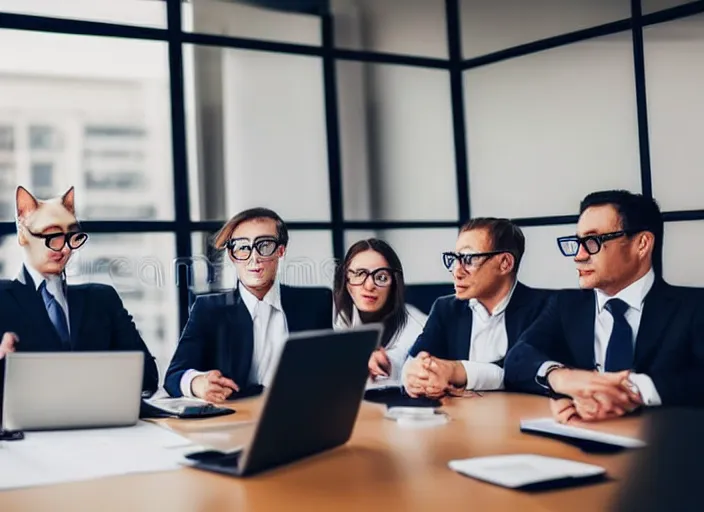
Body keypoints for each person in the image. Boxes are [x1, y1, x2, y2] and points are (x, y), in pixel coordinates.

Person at [504, 190, 704, 423]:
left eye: (592, 241)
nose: (578, 256)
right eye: (578, 242)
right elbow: (518, 359)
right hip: (580, 437)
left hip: (668, 446)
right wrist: (563, 380)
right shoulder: (565, 305)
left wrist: (631, 390)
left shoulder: (694, 307)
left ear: (641, 244)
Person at [0, 186, 159, 395]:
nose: (66, 248)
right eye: (53, 236)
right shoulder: (4, 299)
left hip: (99, 419)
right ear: (23, 234)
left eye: (72, 237)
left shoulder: (102, 300)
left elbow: (147, 377)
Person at [164, 207, 333, 402]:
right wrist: (197, 383)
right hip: (234, 419)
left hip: (299, 413)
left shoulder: (315, 303)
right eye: (243, 247)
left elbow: (329, 370)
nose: (255, 257)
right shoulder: (208, 309)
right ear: (231, 255)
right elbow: (174, 375)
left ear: (281, 250)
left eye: (265, 245)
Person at [402, 218, 550, 398]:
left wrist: (457, 371)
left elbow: (527, 372)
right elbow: (415, 359)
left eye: (468, 259)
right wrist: (413, 377)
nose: (457, 271)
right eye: (455, 259)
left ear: (505, 263)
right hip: (459, 419)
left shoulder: (544, 308)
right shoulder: (446, 308)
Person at [333, 238, 426, 387]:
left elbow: (402, 357)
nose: (369, 285)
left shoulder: (417, 323)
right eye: (359, 274)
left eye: (381, 277)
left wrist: (384, 363)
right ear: (346, 281)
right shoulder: (329, 316)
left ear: (394, 285)